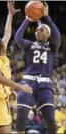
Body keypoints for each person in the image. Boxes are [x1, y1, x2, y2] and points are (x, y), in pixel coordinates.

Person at [0, 1, 32, 134]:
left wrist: (10, 15)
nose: (3, 42)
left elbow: (7, 34)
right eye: (0, 42)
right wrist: (21, 87)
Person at [14, 2, 61, 134]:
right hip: (27, 83)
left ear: (48, 34)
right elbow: (17, 38)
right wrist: (27, 20)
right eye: (36, 30)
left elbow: (57, 37)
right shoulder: (29, 45)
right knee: (21, 117)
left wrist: (47, 17)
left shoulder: (52, 47)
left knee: (51, 120)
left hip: (44, 84)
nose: (38, 31)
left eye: (42, 30)